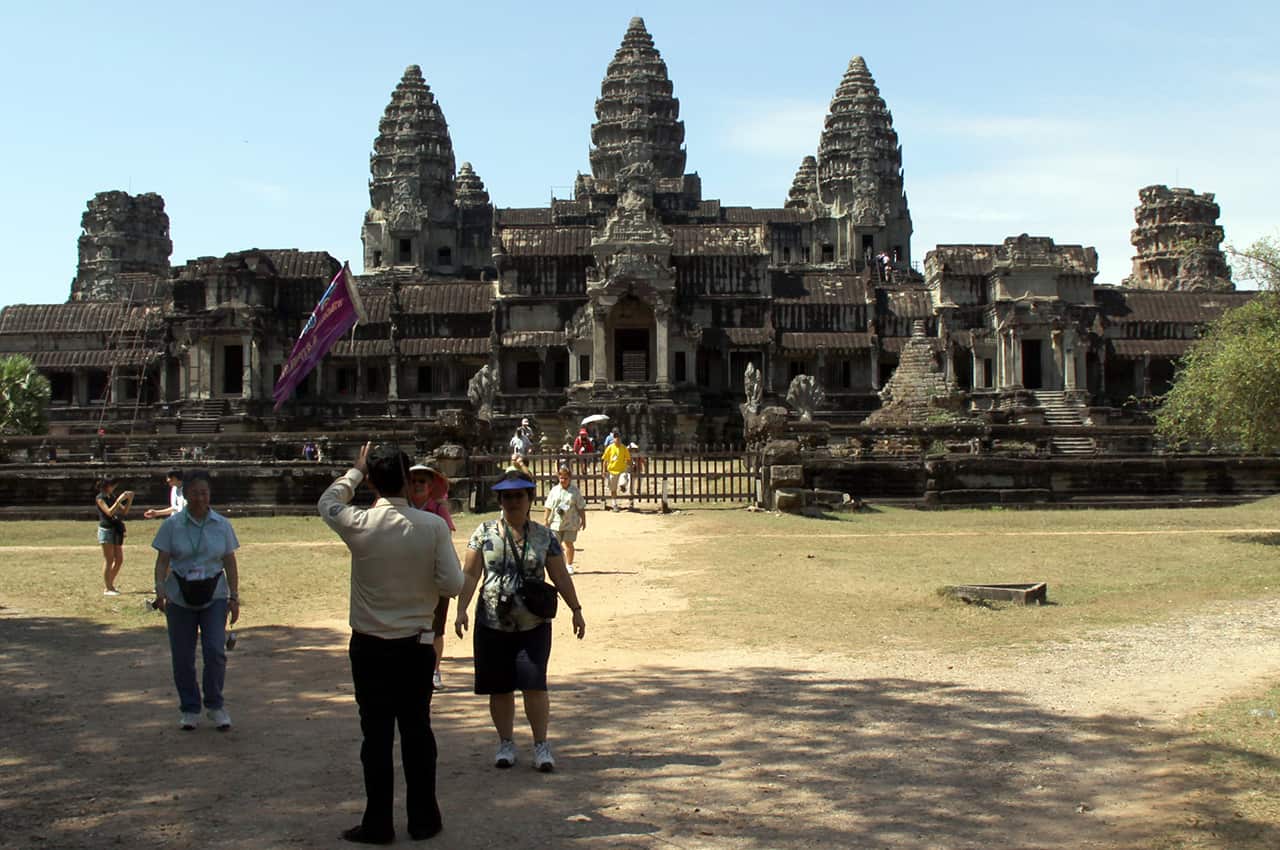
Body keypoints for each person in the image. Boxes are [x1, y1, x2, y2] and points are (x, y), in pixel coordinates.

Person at [320, 443, 463, 845]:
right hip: (415, 645)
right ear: (406, 479)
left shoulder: (357, 522)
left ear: (371, 482)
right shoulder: (431, 527)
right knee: (417, 732)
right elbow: (452, 584)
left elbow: (327, 501)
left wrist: (354, 472)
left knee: (376, 737)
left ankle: (378, 821)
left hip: (369, 646)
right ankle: (423, 818)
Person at [455, 468, 585, 773]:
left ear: (530, 499)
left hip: (533, 623)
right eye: (507, 497)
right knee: (499, 686)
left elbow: (559, 575)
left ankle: (541, 744)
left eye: (519, 496)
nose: (513, 502)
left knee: (534, 684)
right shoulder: (483, 532)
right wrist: (461, 608)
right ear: (500, 500)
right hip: (492, 621)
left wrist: (576, 609)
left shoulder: (543, 536)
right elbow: (471, 573)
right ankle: (506, 742)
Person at [150, 470, 240, 731]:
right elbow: (162, 561)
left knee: (215, 651)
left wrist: (234, 596)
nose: (201, 498)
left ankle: (215, 705)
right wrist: (160, 590)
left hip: (214, 594)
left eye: (205, 492)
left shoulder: (221, 524)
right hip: (179, 595)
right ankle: (189, 707)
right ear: (185, 495)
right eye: (195, 493)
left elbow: (230, 562)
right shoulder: (172, 525)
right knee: (182, 656)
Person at [409, 461, 456, 691]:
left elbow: (446, 542)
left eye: (422, 482)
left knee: (435, 629)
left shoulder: (438, 510)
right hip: (406, 579)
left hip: (434, 577)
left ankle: (435, 670)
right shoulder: (399, 509)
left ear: (430, 487)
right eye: (414, 481)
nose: (417, 486)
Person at [543, 465, 587, 574]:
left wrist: (583, 519)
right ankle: (560, 565)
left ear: (570, 478)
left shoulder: (575, 491)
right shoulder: (554, 490)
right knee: (556, 546)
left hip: (571, 522)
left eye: (565, 478)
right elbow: (548, 506)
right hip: (556, 522)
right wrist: (546, 520)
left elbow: (580, 506)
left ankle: (569, 565)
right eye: (561, 478)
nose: (563, 480)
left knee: (568, 544)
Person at [95, 476, 133, 595]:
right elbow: (110, 512)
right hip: (106, 530)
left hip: (116, 529)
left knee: (119, 559)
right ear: (107, 486)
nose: (114, 488)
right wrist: (119, 500)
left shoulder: (112, 497)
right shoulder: (100, 498)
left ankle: (110, 584)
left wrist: (129, 500)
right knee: (109, 559)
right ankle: (108, 588)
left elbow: (124, 511)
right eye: (112, 486)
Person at [601, 437, 632, 512]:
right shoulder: (609, 448)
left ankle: (622, 486)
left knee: (623, 480)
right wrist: (603, 470)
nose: (617, 441)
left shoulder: (624, 448)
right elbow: (605, 460)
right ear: (613, 439)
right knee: (613, 489)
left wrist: (629, 465)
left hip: (622, 470)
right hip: (612, 471)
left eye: (619, 439)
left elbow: (628, 459)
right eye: (616, 439)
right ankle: (614, 505)